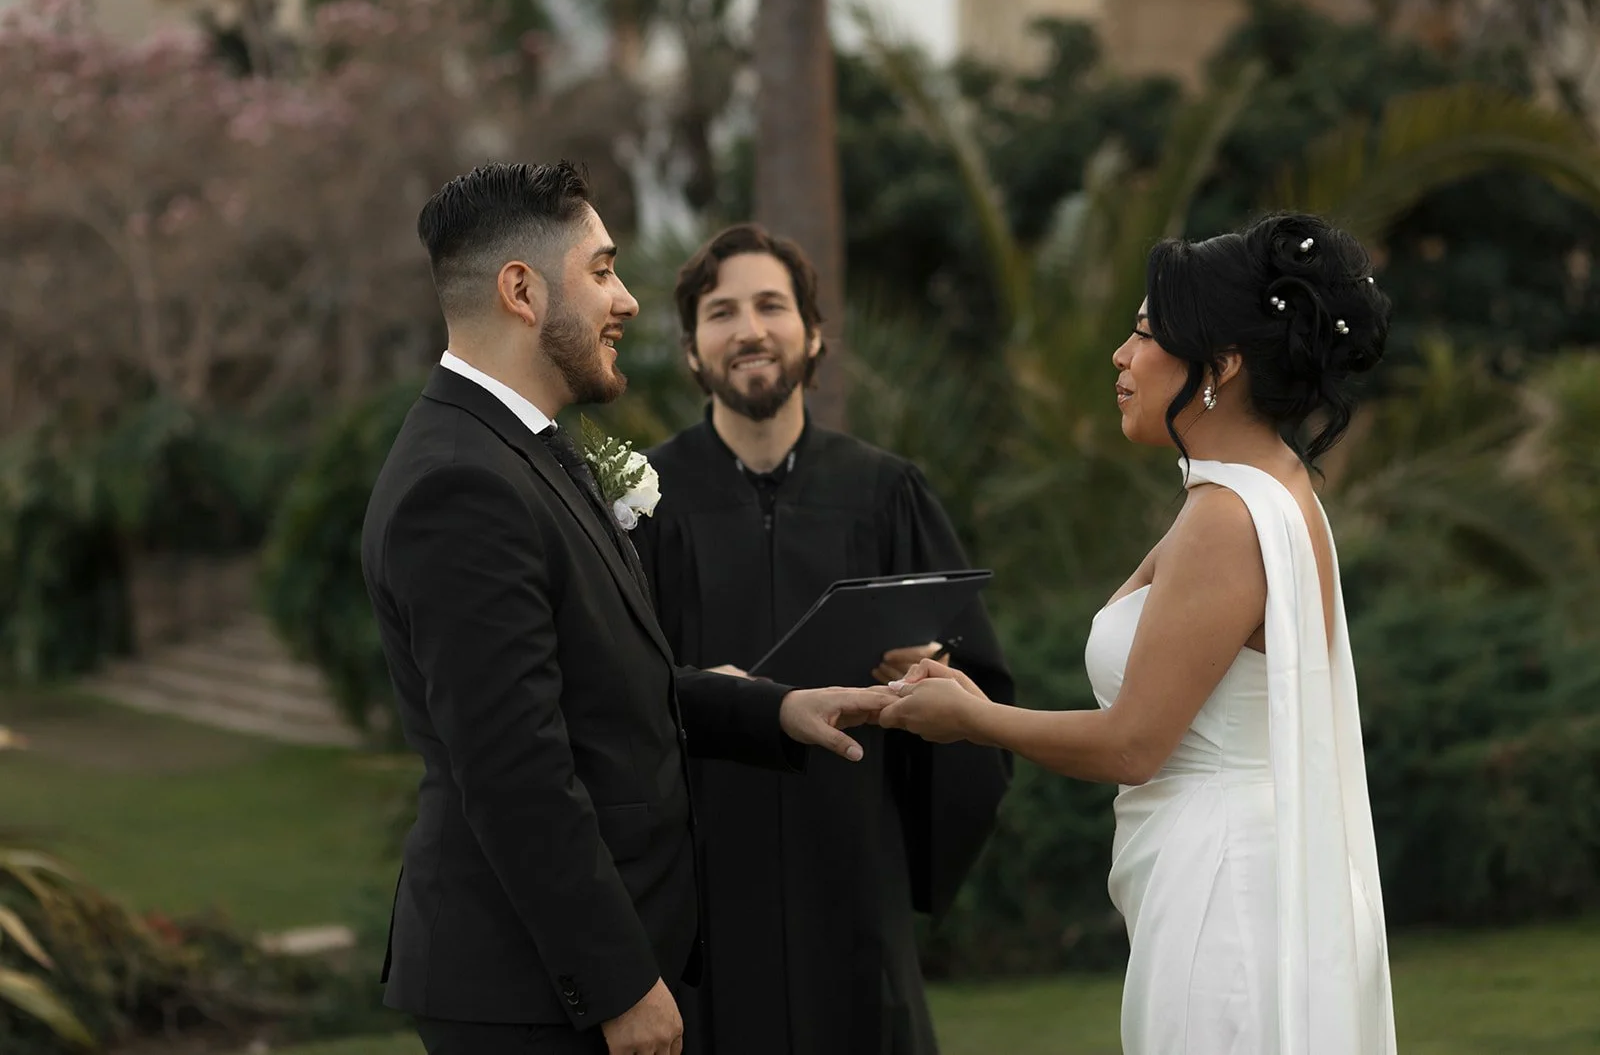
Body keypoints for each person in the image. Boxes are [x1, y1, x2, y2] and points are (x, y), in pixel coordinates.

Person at [360, 163, 893, 1055]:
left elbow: (600, 687)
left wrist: (774, 707)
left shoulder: (520, 451)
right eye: (603, 270)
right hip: (534, 996)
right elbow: (515, 769)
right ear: (522, 291)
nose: (631, 300)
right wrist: (617, 982)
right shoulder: (460, 484)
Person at [878, 213, 1397, 1054]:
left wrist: (969, 720)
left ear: (1220, 365)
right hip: (1234, 866)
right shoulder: (1257, 486)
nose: (1121, 356)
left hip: (1225, 890)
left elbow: (1132, 745)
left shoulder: (1227, 516)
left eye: (1146, 333)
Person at [628, 223, 1013, 1055]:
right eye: (721, 312)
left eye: (772, 305)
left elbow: (983, 700)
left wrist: (935, 685)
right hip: (701, 895)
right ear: (693, 351)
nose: (750, 329)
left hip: (850, 879)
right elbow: (608, 694)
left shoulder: (885, 493)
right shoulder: (645, 507)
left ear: (815, 334)